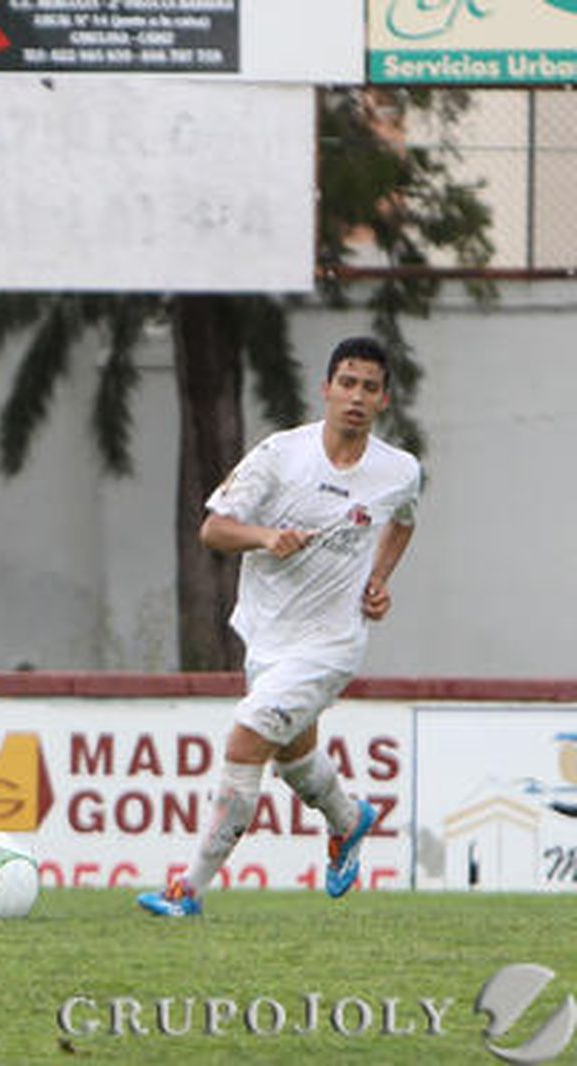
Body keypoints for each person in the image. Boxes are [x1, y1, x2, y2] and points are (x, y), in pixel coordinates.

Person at [138, 336, 420, 918]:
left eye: (370, 387)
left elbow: (404, 522)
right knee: (294, 758)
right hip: (267, 636)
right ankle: (349, 818)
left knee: (246, 736)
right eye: (347, 383)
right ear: (326, 389)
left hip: (332, 643)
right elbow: (214, 531)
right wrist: (267, 537)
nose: (356, 397)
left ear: (384, 401)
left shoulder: (399, 471)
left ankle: (187, 890)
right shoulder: (280, 455)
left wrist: (379, 578)